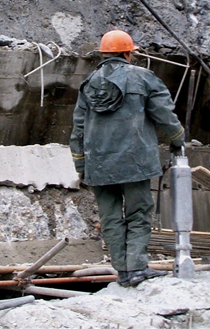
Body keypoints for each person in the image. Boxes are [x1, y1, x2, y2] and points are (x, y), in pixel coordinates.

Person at [70, 30, 185, 288]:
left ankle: (122, 272)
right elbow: (165, 115)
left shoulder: (88, 84)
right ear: (127, 53)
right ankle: (136, 268)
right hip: (135, 163)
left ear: (103, 54)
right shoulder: (143, 78)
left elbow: (78, 129)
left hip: (98, 165)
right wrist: (178, 138)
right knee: (139, 213)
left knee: (110, 218)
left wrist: (81, 167)